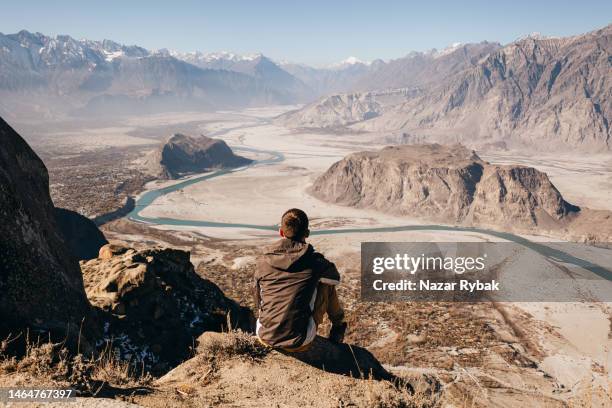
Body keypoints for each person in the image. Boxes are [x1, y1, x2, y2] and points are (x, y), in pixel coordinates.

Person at [254, 208, 347, 351]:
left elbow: (257, 299)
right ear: (307, 234)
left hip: (264, 335)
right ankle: (339, 326)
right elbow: (335, 279)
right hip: (298, 341)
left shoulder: (263, 260)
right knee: (326, 284)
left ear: (281, 232)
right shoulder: (315, 262)